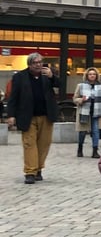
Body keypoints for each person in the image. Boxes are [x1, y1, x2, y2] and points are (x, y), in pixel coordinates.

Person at [5, 53, 59, 184]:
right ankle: (30, 172)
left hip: (46, 115)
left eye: (40, 62)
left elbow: (60, 85)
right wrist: (11, 115)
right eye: (36, 62)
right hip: (27, 116)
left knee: (43, 144)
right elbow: (13, 97)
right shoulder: (19, 77)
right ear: (29, 64)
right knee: (29, 144)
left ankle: (38, 169)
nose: (39, 65)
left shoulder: (47, 76)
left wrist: (53, 77)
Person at [73, 67, 101, 159]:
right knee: (83, 132)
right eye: (90, 74)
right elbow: (75, 98)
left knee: (96, 131)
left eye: (94, 74)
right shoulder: (81, 85)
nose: (92, 75)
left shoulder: (100, 86)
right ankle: (80, 149)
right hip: (84, 112)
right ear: (87, 76)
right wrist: (81, 99)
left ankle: (95, 151)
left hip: (96, 112)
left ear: (96, 76)